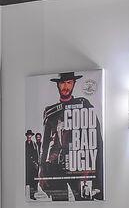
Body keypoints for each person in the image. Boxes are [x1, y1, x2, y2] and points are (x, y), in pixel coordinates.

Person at [40, 72, 102, 201]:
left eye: (69, 83)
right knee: (59, 205)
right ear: (58, 85)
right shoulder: (51, 111)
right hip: (55, 166)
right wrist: (41, 170)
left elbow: (97, 142)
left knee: (85, 202)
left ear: (74, 84)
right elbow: (44, 145)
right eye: (62, 83)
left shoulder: (83, 105)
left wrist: (95, 175)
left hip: (78, 166)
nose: (65, 87)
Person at [24, 130, 41, 199]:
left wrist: (36, 163)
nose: (29, 136)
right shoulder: (24, 144)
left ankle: (32, 195)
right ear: (26, 136)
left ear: (31, 136)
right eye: (28, 135)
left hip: (33, 165)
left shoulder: (34, 144)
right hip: (26, 165)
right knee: (25, 180)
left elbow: (36, 154)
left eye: (30, 135)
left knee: (33, 181)